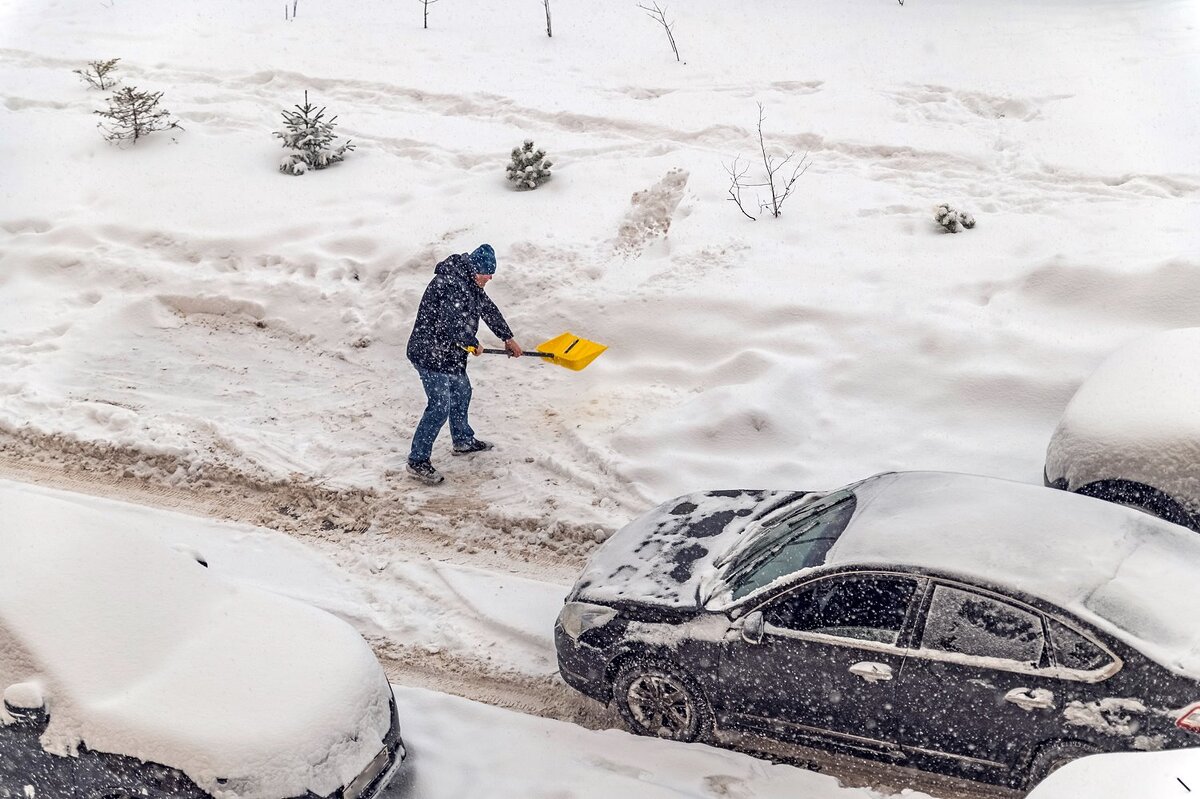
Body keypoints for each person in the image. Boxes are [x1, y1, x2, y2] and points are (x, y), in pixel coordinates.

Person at [404, 244, 523, 484]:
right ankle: (417, 461)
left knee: (462, 392)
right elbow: (451, 325)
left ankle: (462, 441)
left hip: (448, 353)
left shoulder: (470, 283)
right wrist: (472, 343)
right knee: (439, 406)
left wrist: (507, 337)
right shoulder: (451, 283)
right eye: (487, 273)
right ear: (475, 268)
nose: (490, 278)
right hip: (429, 352)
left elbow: (488, 310)